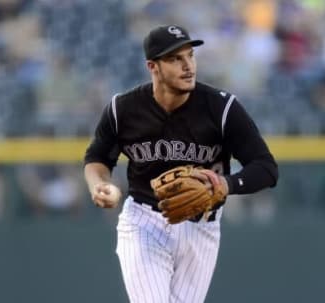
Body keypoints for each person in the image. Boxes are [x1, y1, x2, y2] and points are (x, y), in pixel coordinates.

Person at [84, 25, 278, 303]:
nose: (188, 66)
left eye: (190, 56)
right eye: (175, 59)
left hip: (202, 224)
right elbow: (97, 159)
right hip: (144, 221)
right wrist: (100, 184)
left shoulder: (221, 108)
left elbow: (266, 167)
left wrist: (227, 185)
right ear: (153, 66)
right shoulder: (124, 109)